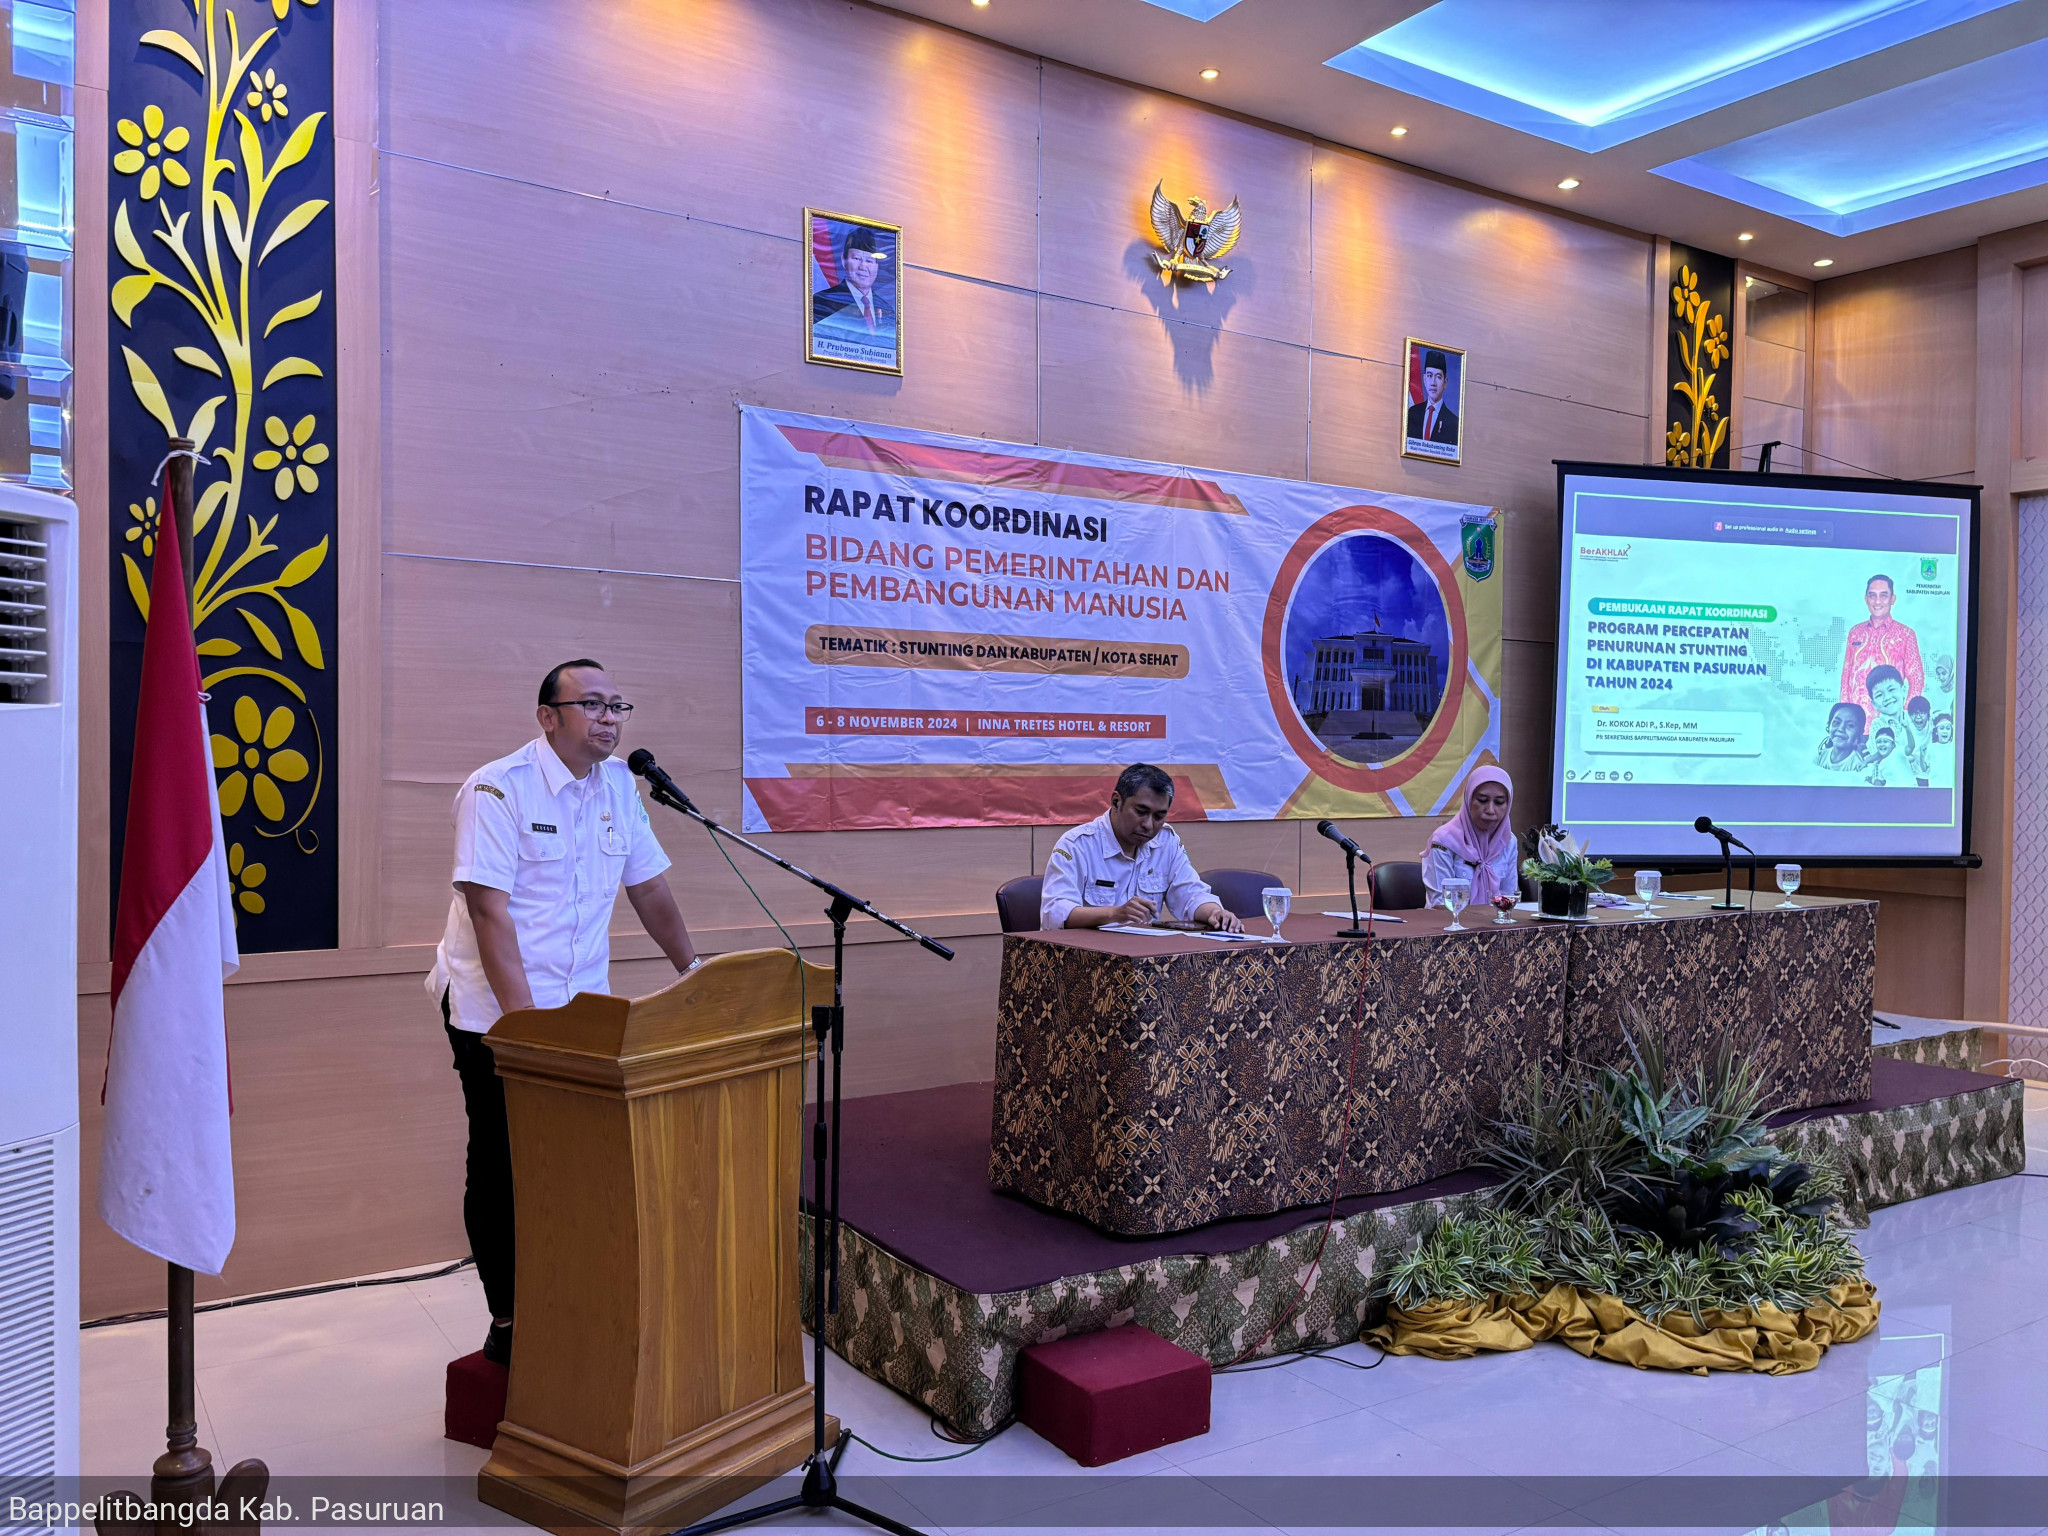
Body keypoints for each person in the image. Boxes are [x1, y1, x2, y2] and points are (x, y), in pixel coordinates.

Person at [427, 659, 699, 1366]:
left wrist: (692, 972)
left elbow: (649, 890)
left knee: (575, 1161)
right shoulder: (497, 789)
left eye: (618, 705)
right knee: (503, 1163)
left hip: (581, 1011)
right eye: (593, 705)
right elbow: (490, 914)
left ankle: (567, 1293)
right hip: (497, 1016)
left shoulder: (619, 789)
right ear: (548, 717)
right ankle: (509, 1319)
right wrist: (526, 1033)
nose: (610, 718)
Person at [1040, 763, 1244, 931]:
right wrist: (1115, 914)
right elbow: (1055, 914)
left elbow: (1190, 893)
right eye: (1141, 811)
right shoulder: (1077, 845)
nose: (1148, 824)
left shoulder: (1167, 842)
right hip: (1084, 961)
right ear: (1116, 802)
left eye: (1159, 816)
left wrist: (1214, 913)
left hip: (1142, 960)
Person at [1422, 766, 1517, 905]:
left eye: (1499, 802)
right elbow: (1440, 904)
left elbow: (1508, 898)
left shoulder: (1508, 841)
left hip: (1493, 924)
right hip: (1449, 924)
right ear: (1468, 800)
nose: (1490, 810)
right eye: (1482, 800)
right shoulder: (1443, 840)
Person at [1840, 574, 1924, 716]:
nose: (1877, 601)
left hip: (1889, 724)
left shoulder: (1905, 634)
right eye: (1872, 595)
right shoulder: (1855, 632)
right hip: (1857, 722)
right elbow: (1846, 679)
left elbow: (1916, 679)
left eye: (1883, 595)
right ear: (1866, 599)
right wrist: (1844, 714)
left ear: (1893, 599)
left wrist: (1904, 715)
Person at [811, 224, 891, 334]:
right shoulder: (822, 302)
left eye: (869, 261)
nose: (863, 266)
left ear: (877, 266)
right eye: (857, 258)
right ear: (844, 261)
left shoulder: (887, 309)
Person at [1405, 349, 1459, 447]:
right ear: (1424, 379)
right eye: (1429, 376)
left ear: (1445, 383)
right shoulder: (1412, 413)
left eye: (1438, 377)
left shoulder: (1454, 422)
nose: (1433, 383)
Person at [1814, 701, 1867, 772]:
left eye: (1850, 725)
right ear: (1829, 726)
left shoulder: (1857, 765)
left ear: (1859, 733)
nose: (1841, 729)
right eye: (1836, 723)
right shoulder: (1820, 756)